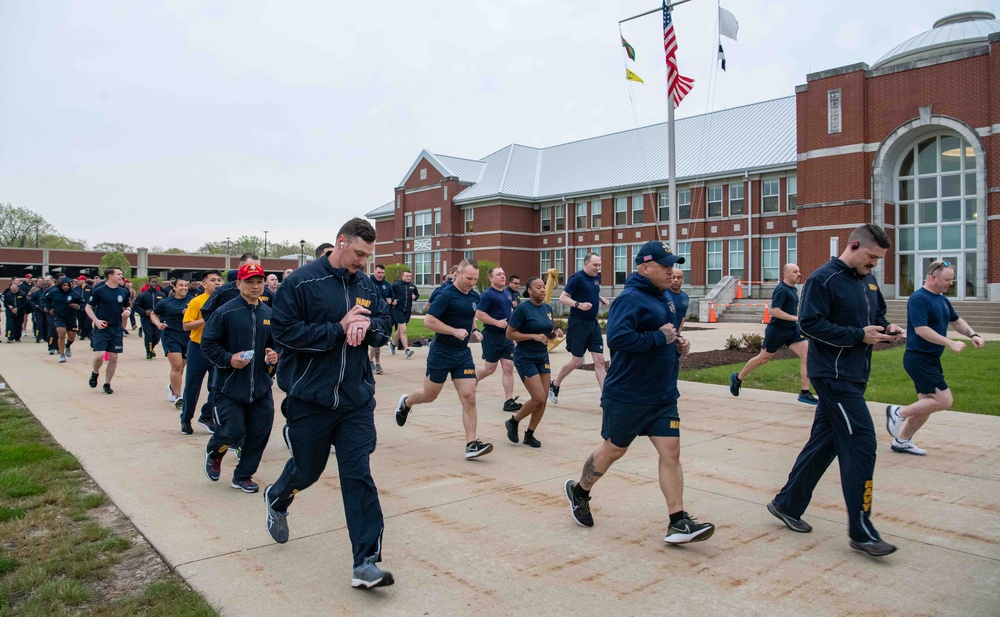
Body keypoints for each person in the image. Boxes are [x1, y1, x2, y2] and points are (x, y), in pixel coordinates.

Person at [266, 218, 395, 589]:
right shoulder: (301, 283)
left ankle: (366, 562)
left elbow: (384, 323)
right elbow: (284, 334)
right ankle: (277, 497)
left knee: (358, 476)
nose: (363, 263)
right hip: (311, 400)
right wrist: (338, 329)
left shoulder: (366, 284)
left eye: (368, 256)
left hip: (355, 400)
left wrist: (369, 329)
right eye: (358, 254)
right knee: (307, 471)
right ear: (341, 243)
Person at [563, 241, 715, 544]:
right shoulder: (630, 299)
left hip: (662, 394)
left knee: (671, 452)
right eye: (665, 266)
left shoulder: (666, 299)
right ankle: (579, 491)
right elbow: (618, 340)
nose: (672, 271)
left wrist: (678, 342)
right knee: (613, 451)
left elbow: (667, 333)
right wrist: (659, 338)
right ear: (645, 268)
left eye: (672, 265)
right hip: (628, 394)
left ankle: (678, 521)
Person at [767, 224, 902, 558]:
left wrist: (888, 328)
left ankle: (786, 503)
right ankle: (862, 531)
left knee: (824, 444)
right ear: (854, 246)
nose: (874, 266)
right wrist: (858, 335)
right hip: (834, 377)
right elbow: (809, 324)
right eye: (871, 258)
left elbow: (878, 316)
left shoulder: (867, 281)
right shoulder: (822, 279)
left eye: (878, 261)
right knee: (862, 443)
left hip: (855, 375)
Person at [395, 259, 493, 460]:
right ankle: (406, 403)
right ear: (458, 274)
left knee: (469, 396)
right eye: (468, 278)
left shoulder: (474, 296)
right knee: (430, 394)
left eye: (475, 279)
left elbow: (469, 315)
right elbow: (429, 321)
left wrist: (474, 329)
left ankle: (471, 444)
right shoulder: (445, 295)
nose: (472, 282)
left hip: (462, 353)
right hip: (441, 352)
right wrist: (453, 331)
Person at [885, 260, 985, 456]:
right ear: (933, 277)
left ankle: (902, 441)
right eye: (947, 279)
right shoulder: (918, 299)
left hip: (931, 359)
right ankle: (897, 413)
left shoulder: (942, 300)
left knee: (926, 405)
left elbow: (956, 321)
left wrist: (973, 334)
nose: (951, 283)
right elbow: (921, 330)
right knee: (944, 400)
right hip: (918, 358)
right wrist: (950, 343)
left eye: (952, 279)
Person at [201, 263, 278, 493]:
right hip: (229, 386)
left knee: (259, 432)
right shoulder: (225, 312)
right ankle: (215, 452)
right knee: (232, 431)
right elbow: (208, 343)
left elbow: (276, 345)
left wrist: (275, 355)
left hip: (261, 387)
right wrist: (228, 358)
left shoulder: (269, 314)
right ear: (238, 284)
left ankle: (243, 476)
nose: (256, 286)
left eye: (259, 282)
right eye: (250, 282)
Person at [730, 264, 818, 405]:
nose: (799, 274)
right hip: (777, 331)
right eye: (795, 272)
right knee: (763, 359)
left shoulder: (791, 289)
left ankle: (805, 392)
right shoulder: (781, 290)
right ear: (786, 274)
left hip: (792, 330)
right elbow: (775, 311)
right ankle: (738, 378)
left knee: (808, 355)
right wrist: (796, 318)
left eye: (799, 271)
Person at [504, 276, 563, 448]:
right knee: (538, 397)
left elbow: (546, 333)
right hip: (525, 357)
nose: (543, 290)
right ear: (530, 291)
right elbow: (510, 334)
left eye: (544, 287)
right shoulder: (523, 309)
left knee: (543, 400)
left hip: (541, 356)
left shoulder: (547, 308)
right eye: (538, 287)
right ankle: (513, 421)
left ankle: (529, 434)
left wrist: (554, 333)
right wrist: (532, 336)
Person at [549, 252, 610, 404]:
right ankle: (555, 383)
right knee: (577, 362)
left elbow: (592, 291)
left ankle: (606, 397)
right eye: (595, 265)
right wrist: (579, 305)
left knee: (600, 360)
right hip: (578, 323)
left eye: (599, 265)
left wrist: (600, 298)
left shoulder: (596, 278)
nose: (598, 268)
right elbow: (563, 298)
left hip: (593, 324)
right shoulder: (576, 278)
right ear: (586, 264)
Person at [179, 270, 225, 435]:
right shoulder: (196, 302)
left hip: (218, 349)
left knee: (218, 386)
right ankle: (185, 419)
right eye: (212, 280)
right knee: (192, 385)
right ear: (204, 285)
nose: (217, 283)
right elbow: (186, 325)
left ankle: (207, 416)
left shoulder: (227, 302)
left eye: (219, 280)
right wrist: (208, 318)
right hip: (198, 347)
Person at [475, 266, 523, 412]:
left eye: (503, 273)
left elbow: (509, 313)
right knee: (489, 369)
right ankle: (469, 381)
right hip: (492, 336)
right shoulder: (487, 295)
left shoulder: (507, 294)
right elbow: (479, 313)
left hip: (506, 336)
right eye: (498, 274)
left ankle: (508, 401)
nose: (502, 276)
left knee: (508, 366)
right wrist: (496, 322)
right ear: (491, 278)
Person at [84, 267, 132, 394]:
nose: (121, 276)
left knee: (114, 356)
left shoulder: (123, 291)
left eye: (121, 274)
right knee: (99, 355)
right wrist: (96, 321)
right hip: (102, 327)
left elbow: (127, 306)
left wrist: (127, 311)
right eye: (119, 274)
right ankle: (95, 373)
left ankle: (107, 383)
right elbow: (88, 308)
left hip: (116, 328)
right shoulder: (99, 291)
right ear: (110, 276)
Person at [152, 278, 191, 409]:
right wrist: (158, 324)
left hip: (187, 336)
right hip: (170, 335)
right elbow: (154, 314)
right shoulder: (165, 302)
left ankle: (171, 386)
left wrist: (190, 314)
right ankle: (178, 396)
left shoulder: (192, 301)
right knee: (177, 366)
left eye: (186, 285)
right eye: (181, 285)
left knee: (182, 367)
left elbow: (201, 316)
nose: (184, 288)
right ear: (173, 287)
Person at [46, 278, 82, 363]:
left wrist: (77, 306)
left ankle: (68, 345)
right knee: (61, 334)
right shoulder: (54, 292)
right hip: (59, 317)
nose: (66, 287)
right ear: (60, 285)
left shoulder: (75, 294)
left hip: (71, 317)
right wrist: (49, 308)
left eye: (67, 285)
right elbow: (45, 300)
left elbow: (82, 303)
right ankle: (62, 355)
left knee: (72, 338)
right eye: (64, 285)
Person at [368, 264, 394, 374]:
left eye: (382, 273)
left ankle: (376, 363)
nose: (381, 275)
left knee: (377, 339)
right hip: (369, 313)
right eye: (379, 272)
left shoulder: (386, 285)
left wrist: (391, 301)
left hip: (381, 315)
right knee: (371, 341)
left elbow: (392, 297)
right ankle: (369, 361)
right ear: (374, 272)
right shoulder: (368, 282)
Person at [389, 269, 418, 358]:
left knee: (400, 330)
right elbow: (390, 294)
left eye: (410, 276)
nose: (408, 278)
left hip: (407, 311)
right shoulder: (396, 285)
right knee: (404, 330)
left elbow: (417, 295)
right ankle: (407, 350)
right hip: (398, 310)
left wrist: (415, 297)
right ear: (402, 276)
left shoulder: (412, 286)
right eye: (407, 276)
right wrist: (393, 300)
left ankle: (393, 344)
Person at [135, 277, 166, 359]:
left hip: (158, 320)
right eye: (152, 282)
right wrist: (144, 312)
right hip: (146, 319)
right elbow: (136, 306)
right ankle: (148, 352)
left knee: (156, 337)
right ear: (149, 283)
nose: (154, 284)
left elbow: (166, 306)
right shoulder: (143, 295)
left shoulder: (162, 295)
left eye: (155, 282)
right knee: (148, 336)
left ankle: (152, 348)